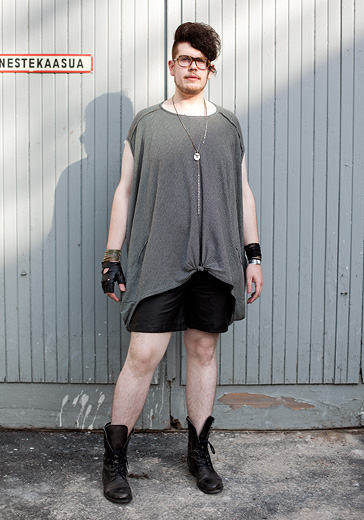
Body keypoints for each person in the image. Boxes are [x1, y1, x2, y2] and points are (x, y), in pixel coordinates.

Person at [101, 22, 263, 504]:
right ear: (171, 65)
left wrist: (252, 254)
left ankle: (198, 451)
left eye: (202, 62)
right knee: (142, 356)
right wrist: (113, 256)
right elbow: (124, 192)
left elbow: (244, 193)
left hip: (216, 262)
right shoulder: (146, 124)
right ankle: (114, 459)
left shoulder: (229, 124)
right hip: (158, 262)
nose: (193, 68)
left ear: (210, 70)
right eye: (185, 59)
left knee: (204, 352)